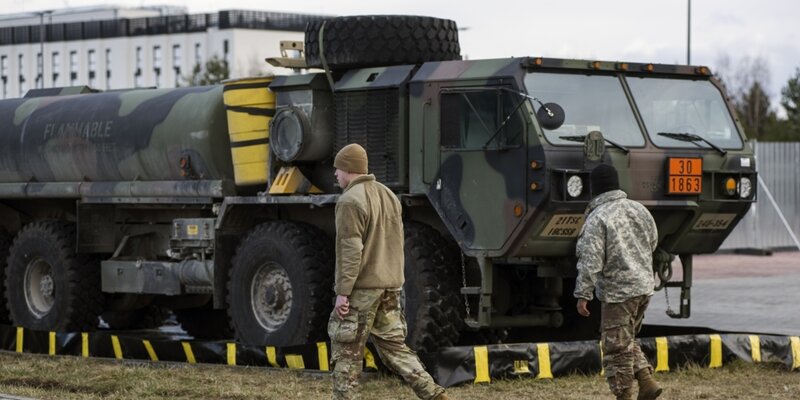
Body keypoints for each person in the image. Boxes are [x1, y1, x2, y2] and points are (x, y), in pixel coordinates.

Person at [329, 143, 449, 400]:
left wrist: (342, 293)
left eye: (337, 169)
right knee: (396, 348)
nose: (335, 175)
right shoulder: (388, 195)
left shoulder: (349, 201)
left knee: (346, 352)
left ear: (349, 169)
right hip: (390, 287)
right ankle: (434, 394)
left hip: (362, 290)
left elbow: (350, 252)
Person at [574, 164, 662, 400]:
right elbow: (652, 242)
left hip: (618, 293)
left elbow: (591, 260)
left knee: (615, 349)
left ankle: (624, 396)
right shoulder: (639, 209)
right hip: (644, 288)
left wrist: (583, 293)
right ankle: (646, 382)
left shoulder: (597, 217)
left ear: (594, 189)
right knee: (625, 339)